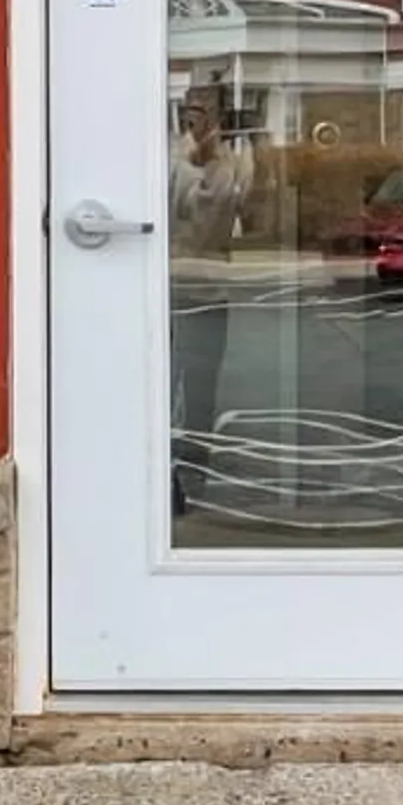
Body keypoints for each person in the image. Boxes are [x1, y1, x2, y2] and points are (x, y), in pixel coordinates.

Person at [164, 90, 250, 519]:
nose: (191, 121)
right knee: (160, 385)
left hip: (207, 290)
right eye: (187, 112)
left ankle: (193, 479)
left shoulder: (229, 167)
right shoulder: (170, 159)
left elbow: (210, 219)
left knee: (199, 391)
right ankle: (161, 474)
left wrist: (201, 160)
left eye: (200, 113)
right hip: (167, 288)